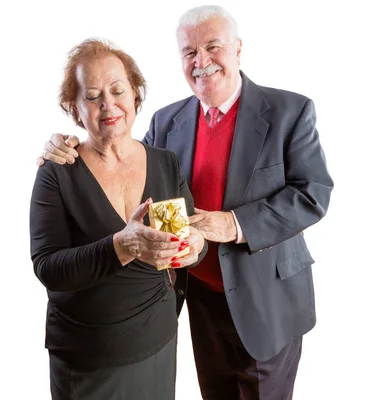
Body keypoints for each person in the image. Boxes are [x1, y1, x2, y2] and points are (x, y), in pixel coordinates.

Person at [37, 5, 334, 399]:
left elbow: (313, 192)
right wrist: (58, 145)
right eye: (190, 52)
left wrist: (235, 224)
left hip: (266, 301)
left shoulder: (289, 110)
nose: (202, 61)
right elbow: (118, 153)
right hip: (197, 299)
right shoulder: (167, 120)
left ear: (238, 49)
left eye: (213, 47)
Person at [29, 38, 208, 400]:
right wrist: (119, 246)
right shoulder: (57, 172)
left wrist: (196, 245)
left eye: (117, 90)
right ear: (74, 108)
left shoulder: (165, 162)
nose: (108, 104)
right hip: (89, 355)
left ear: (135, 96)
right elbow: (48, 267)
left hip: (158, 341)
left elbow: (191, 234)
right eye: (92, 95)